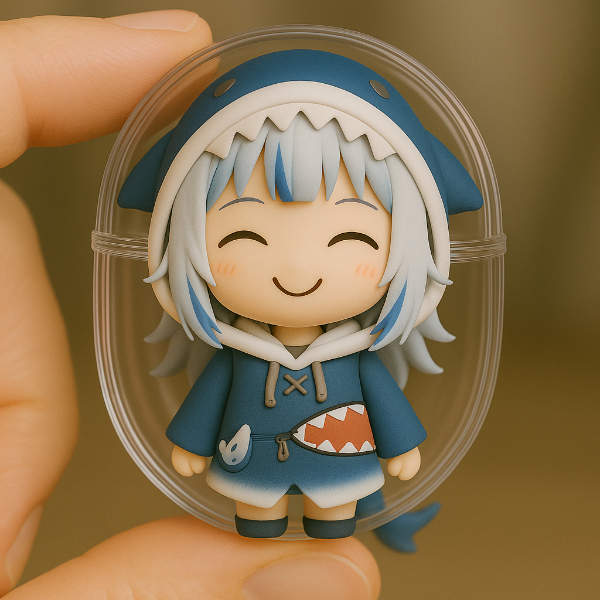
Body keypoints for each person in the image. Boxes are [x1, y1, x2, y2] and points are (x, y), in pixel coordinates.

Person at [0, 11, 381, 599]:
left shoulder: (352, 351)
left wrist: (401, 443)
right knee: (256, 516)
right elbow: (212, 394)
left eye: (350, 239)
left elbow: (381, 396)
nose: (298, 267)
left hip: (343, 464)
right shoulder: (240, 351)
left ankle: (331, 516)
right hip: (250, 462)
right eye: (244, 238)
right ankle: (262, 519)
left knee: (336, 511)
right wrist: (191, 441)